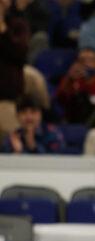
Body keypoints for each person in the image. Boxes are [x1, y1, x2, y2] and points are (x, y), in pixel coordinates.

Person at [55, 47, 95, 124]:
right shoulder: (69, 80)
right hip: (73, 123)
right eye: (82, 60)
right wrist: (69, 79)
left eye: (91, 60)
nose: (86, 64)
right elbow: (60, 100)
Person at [0, 0, 29, 141]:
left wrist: (1, 27)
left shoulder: (18, 25)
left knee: (13, 148)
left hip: (7, 101)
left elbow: (20, 52)